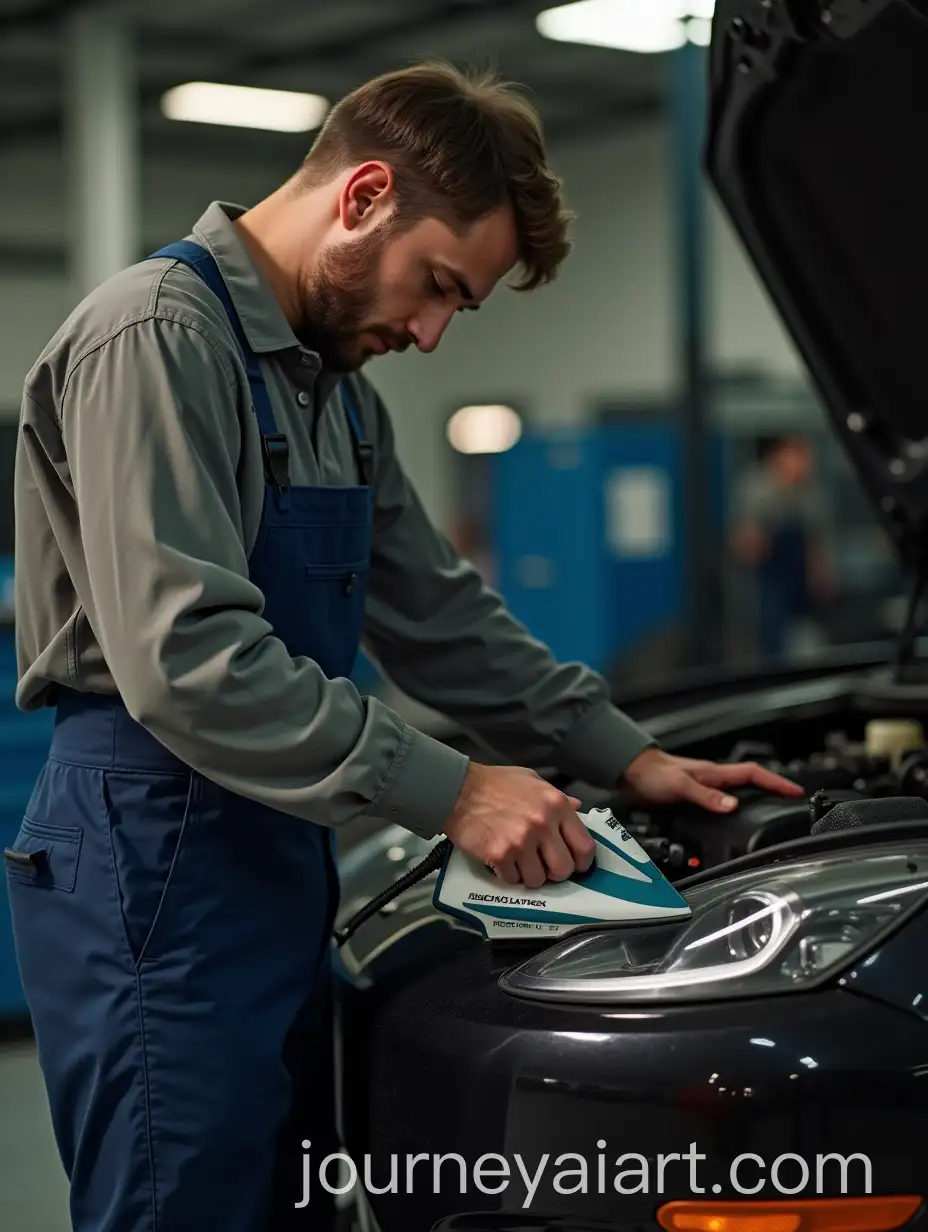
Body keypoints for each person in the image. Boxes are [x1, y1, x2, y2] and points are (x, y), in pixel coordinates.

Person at [8, 61, 802, 1232]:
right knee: (183, 1200)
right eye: (437, 286)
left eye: (457, 310)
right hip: (150, 845)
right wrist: (456, 789)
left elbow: (439, 612)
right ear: (364, 192)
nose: (429, 334)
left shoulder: (333, 392)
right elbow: (186, 660)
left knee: (288, 1199)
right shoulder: (158, 335)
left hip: (270, 841)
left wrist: (625, 754)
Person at [732, 434, 835, 659]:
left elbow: (816, 539)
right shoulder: (757, 488)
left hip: (800, 578)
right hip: (770, 578)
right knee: (771, 636)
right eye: (798, 457)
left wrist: (820, 573)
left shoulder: (812, 493)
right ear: (779, 458)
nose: (804, 465)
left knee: (807, 634)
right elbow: (747, 541)